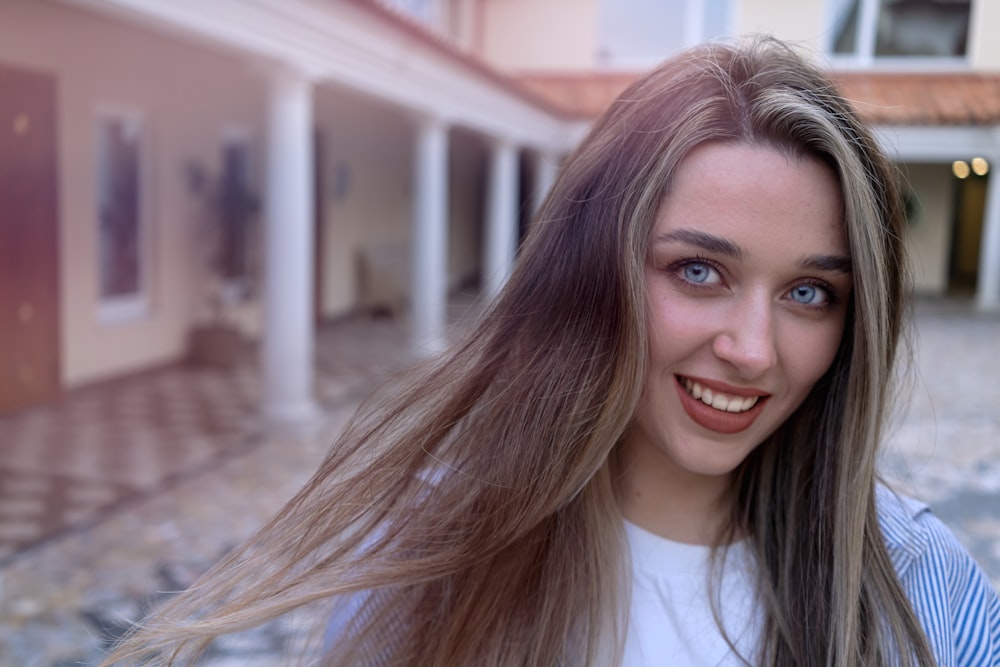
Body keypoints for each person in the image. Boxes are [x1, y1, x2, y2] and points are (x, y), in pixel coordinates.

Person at [102, 36, 999, 666]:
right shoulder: (433, 558)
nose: (754, 350)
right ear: (589, 271)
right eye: (698, 271)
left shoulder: (924, 591)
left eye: (810, 292)